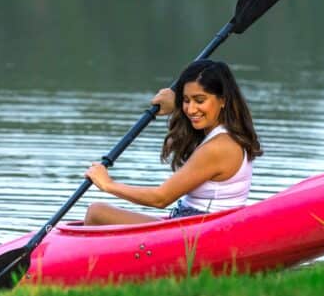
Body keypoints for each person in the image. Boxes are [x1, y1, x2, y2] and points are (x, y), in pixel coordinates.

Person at [82, 59, 262, 226]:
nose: (191, 109)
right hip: (195, 224)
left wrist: (108, 184)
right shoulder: (229, 134)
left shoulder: (218, 147)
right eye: (186, 100)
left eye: (199, 100)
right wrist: (177, 106)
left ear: (223, 100)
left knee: (97, 212)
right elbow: (182, 130)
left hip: (197, 233)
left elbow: (161, 198)